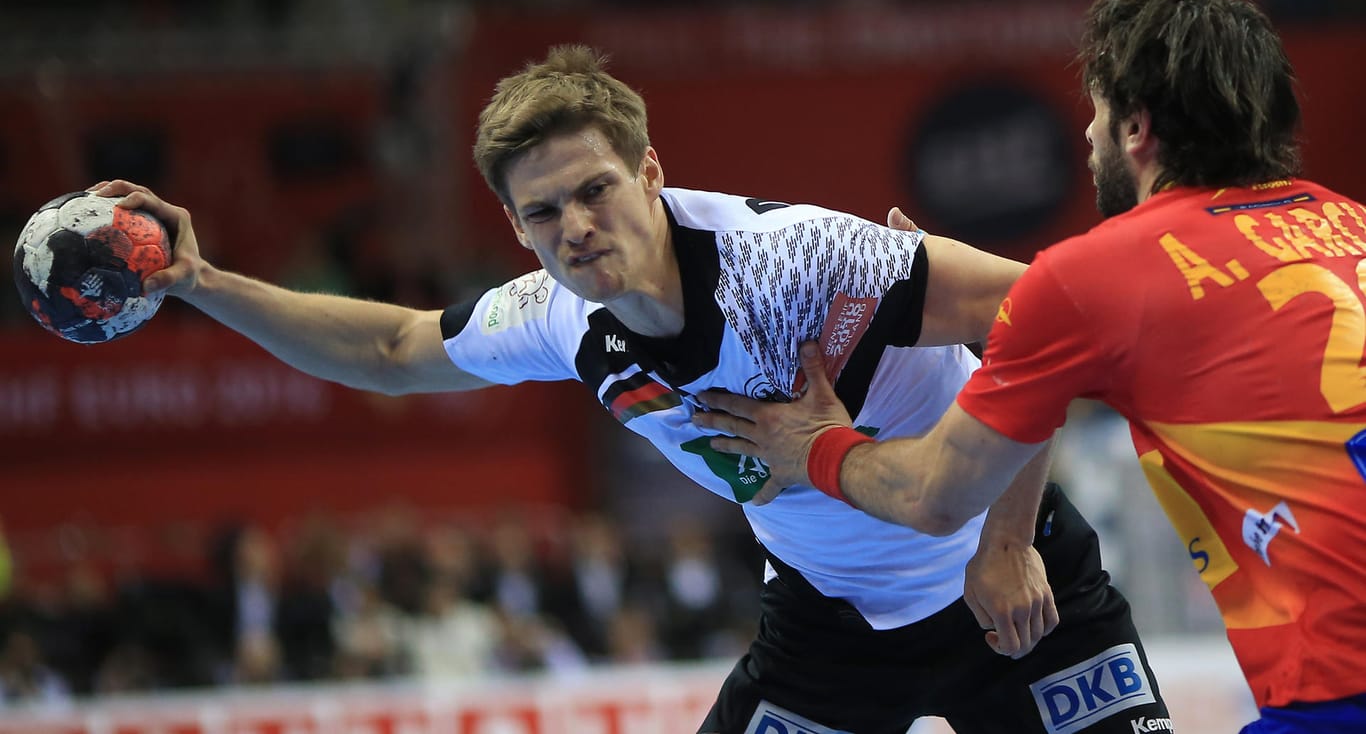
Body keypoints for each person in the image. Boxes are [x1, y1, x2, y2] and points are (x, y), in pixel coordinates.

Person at [90, 43, 1174, 732]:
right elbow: (386, 351)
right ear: (513, 227)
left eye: (594, 190)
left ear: (651, 172)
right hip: (830, 630)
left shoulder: (796, 262)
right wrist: (201, 282)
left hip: (1019, 589)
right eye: (541, 214)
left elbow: (1039, 315)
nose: (575, 229)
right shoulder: (557, 313)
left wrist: (1004, 542)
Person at [694, 0, 1366, 734]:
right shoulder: (1354, 226)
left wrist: (813, 449)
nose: (1087, 136)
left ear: (1137, 129)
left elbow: (936, 498)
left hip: (1339, 688)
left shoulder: (1097, 275)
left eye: (1099, 113)